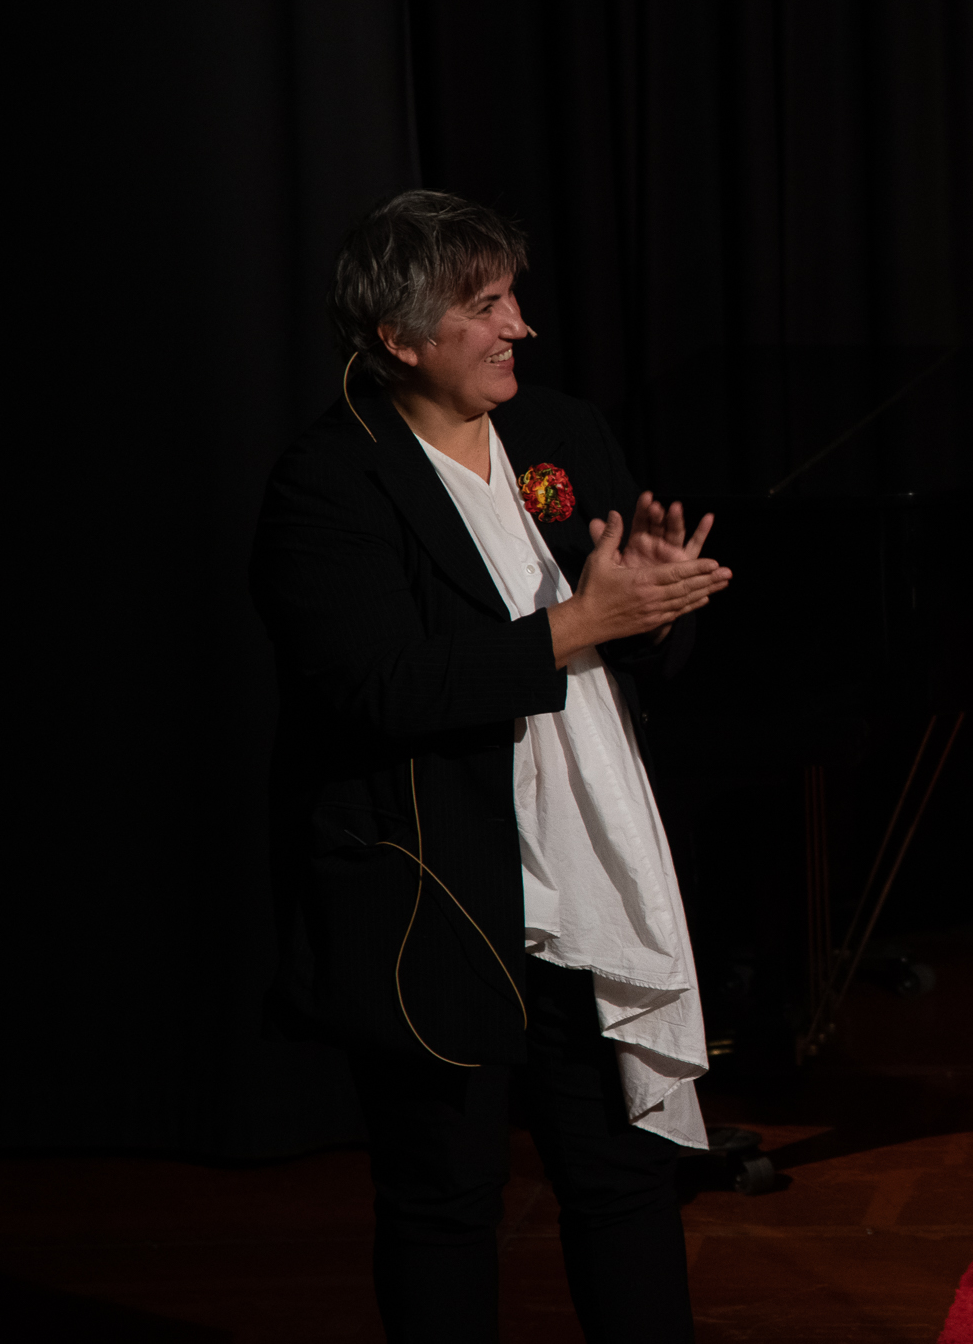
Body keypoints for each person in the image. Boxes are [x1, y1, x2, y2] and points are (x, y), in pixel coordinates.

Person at [252, 189, 731, 1342]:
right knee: (443, 1203)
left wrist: (653, 606)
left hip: (589, 883)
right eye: (484, 305)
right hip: (438, 898)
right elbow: (380, 686)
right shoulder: (331, 481)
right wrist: (582, 623)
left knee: (624, 1178)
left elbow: (630, 653)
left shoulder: (562, 430)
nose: (520, 325)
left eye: (513, 296)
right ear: (399, 337)